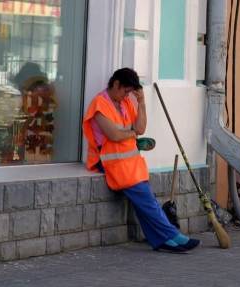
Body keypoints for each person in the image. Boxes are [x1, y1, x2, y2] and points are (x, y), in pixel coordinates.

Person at [83, 68, 200, 252]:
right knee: (147, 201)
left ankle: (160, 241)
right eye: (125, 91)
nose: (127, 95)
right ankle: (172, 235)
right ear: (115, 84)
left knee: (144, 201)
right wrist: (131, 134)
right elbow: (113, 135)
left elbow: (141, 128)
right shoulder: (100, 104)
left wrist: (142, 102)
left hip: (130, 164)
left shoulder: (126, 102)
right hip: (110, 163)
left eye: (130, 92)